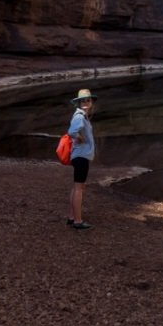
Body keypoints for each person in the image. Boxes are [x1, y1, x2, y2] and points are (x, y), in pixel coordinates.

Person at [66, 88, 97, 230]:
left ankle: (71, 217)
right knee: (79, 188)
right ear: (78, 103)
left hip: (79, 155)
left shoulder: (82, 115)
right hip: (81, 156)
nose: (85, 102)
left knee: (77, 187)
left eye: (88, 100)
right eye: (83, 100)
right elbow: (72, 131)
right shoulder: (79, 115)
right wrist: (79, 137)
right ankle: (78, 221)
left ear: (91, 102)